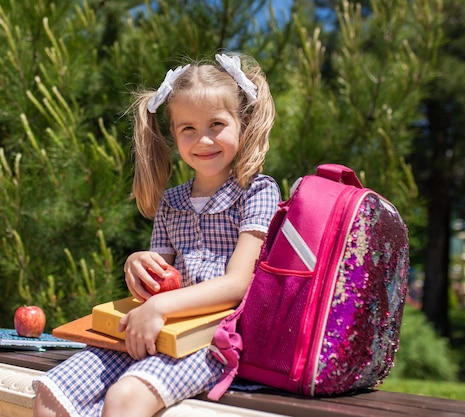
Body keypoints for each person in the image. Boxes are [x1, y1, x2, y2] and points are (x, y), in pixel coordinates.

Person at [33, 52, 281, 417]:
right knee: (53, 394)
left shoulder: (257, 191)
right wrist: (138, 267)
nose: (204, 140)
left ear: (242, 122)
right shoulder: (172, 202)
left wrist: (161, 306)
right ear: (173, 134)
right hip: (159, 329)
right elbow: (159, 279)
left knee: (125, 398)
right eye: (188, 129)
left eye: (216, 124)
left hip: (212, 340)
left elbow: (238, 284)